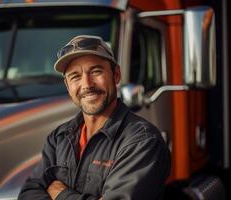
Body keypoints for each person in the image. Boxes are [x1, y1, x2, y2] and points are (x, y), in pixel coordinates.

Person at [18, 35, 171, 200]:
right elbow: (28, 194)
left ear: (116, 75)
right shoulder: (58, 138)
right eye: (75, 76)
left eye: (96, 71)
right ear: (67, 85)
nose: (87, 85)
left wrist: (60, 193)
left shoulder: (142, 141)